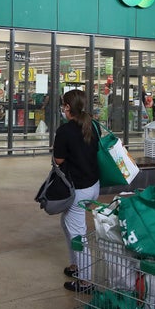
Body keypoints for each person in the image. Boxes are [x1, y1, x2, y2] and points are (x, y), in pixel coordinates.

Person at [53, 89, 100, 293]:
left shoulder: (65, 131)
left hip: (78, 190)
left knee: (77, 234)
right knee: (67, 223)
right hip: (93, 186)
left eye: (64, 104)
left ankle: (86, 281)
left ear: (67, 107)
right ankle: (75, 266)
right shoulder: (93, 125)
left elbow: (58, 160)